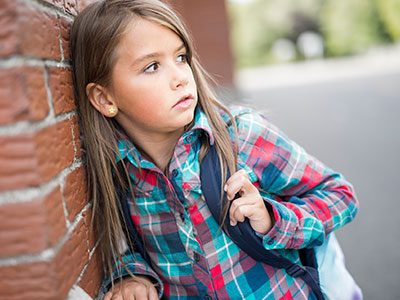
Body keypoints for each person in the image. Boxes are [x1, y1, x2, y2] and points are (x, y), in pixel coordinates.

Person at [70, 0, 360, 299]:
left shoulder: (240, 136)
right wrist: (133, 276)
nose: (181, 77)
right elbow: (126, 246)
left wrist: (274, 220)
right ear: (105, 99)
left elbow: (340, 195)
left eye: (181, 57)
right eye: (152, 66)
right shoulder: (116, 175)